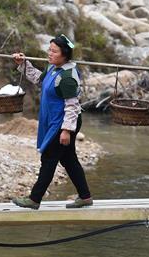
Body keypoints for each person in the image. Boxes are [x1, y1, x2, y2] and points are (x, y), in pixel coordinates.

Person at [10, 35, 93, 210]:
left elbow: (72, 105)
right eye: (49, 50)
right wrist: (23, 64)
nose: (50, 53)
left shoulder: (68, 77)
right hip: (55, 121)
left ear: (65, 54)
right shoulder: (52, 67)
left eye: (54, 51)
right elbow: (39, 79)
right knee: (69, 159)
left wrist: (66, 131)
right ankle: (85, 196)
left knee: (48, 157)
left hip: (63, 123)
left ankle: (34, 199)